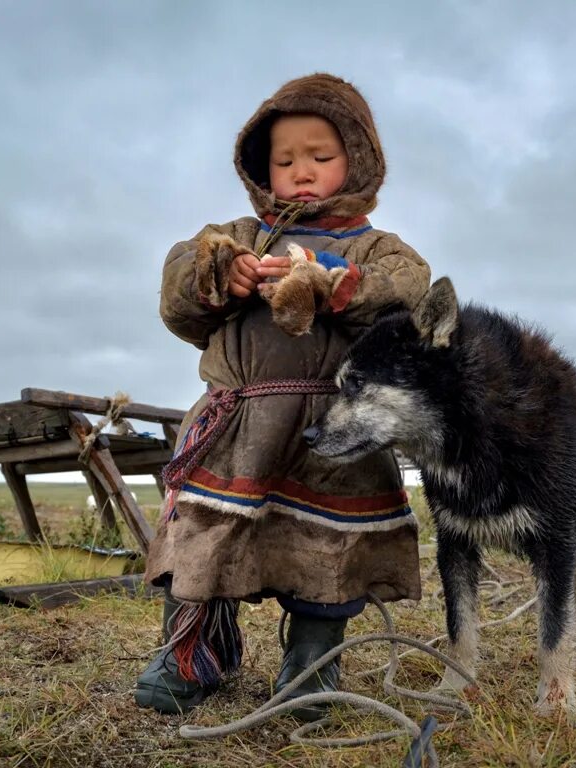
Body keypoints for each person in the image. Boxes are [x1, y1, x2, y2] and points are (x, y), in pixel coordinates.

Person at [137, 73, 431, 720]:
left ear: (357, 161)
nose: (302, 171)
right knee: (202, 540)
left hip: (336, 431)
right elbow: (178, 297)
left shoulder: (378, 248)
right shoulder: (238, 233)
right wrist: (221, 270)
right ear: (259, 168)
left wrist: (334, 286)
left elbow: (408, 298)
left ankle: (312, 664)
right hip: (238, 421)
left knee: (328, 551)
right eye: (285, 159)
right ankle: (193, 653)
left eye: (321, 157)